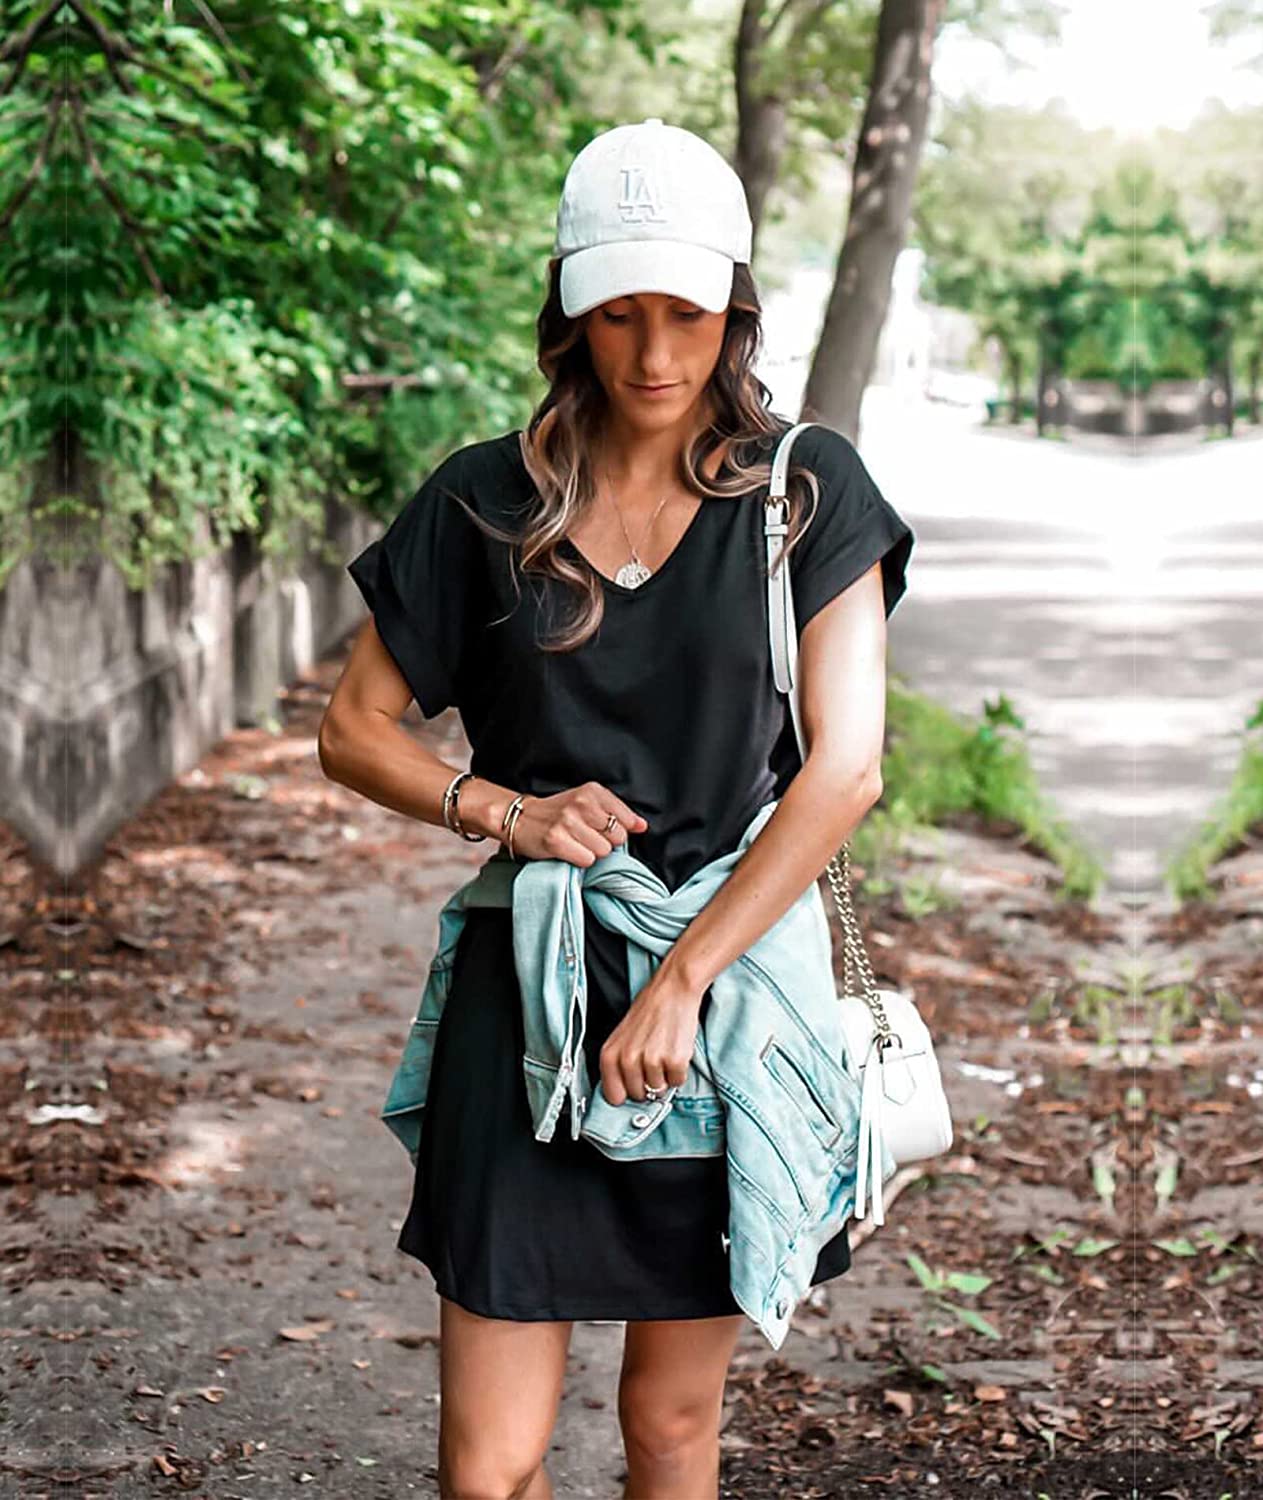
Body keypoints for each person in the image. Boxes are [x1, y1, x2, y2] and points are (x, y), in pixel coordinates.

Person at [320, 116, 913, 1500]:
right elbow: (353, 732)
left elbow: (846, 770)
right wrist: (504, 814)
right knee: (488, 1467)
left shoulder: (804, 492)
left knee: (668, 1426)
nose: (654, 354)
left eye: (687, 315)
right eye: (619, 314)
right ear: (569, 311)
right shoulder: (484, 498)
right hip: (525, 996)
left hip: (721, 999)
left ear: (735, 309)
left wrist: (682, 984)